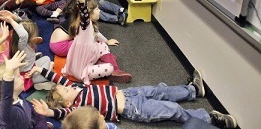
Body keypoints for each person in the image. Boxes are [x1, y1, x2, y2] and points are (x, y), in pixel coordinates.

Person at [28, 67, 237, 129]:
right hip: (131, 108)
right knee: (171, 110)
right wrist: (49, 112)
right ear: (68, 103)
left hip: (129, 94)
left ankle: (192, 91)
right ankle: (208, 118)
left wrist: (41, 70)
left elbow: (58, 77)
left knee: (160, 90)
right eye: (65, 91)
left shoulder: (75, 88)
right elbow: (63, 114)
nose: (67, 86)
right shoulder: (77, 109)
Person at [54, 0, 131, 84]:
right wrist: (81, 0)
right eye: (97, 9)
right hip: (82, 71)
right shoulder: (85, 26)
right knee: (109, 67)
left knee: (103, 45)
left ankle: (113, 69)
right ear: (90, 13)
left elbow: (97, 35)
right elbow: (84, 14)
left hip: (86, 58)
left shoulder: (90, 26)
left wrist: (107, 41)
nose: (100, 12)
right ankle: (112, 70)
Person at [0, 50, 51, 129]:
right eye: (18, 76)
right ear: (10, 85)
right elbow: (6, 96)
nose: (22, 77)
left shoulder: (17, 96)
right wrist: (9, 73)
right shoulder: (8, 114)